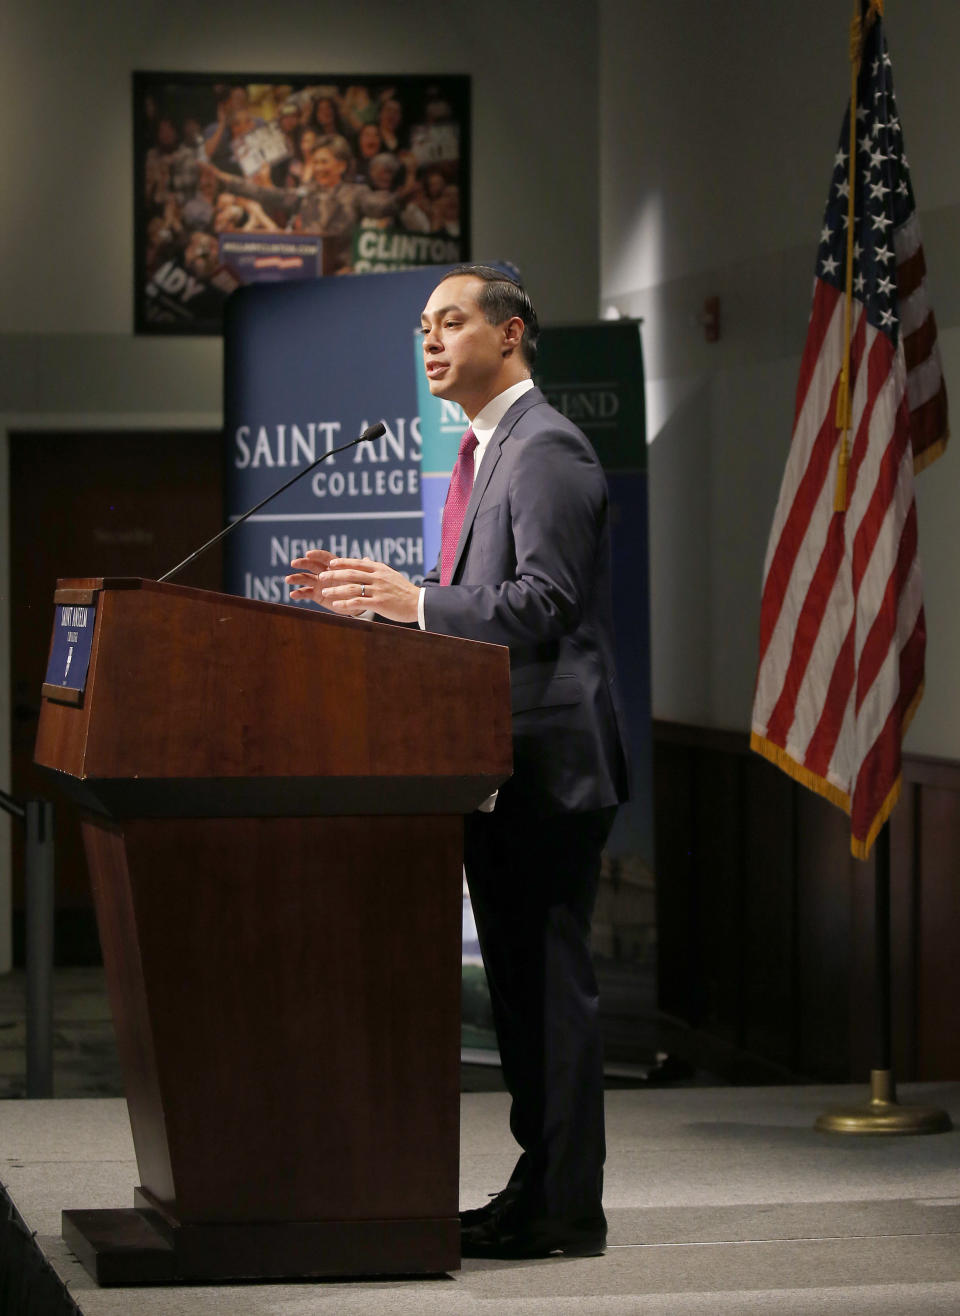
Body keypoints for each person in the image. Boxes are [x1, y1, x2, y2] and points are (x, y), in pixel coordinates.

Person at [285, 265, 629, 1260]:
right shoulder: (489, 449)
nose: (428, 341)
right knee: (521, 988)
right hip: (499, 751)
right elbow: (487, 599)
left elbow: (544, 601)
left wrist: (420, 603)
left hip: (550, 758)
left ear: (510, 332)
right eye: (421, 327)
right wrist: (387, 603)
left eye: (448, 322)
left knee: (548, 986)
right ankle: (541, 1184)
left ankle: (566, 1203)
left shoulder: (546, 447)